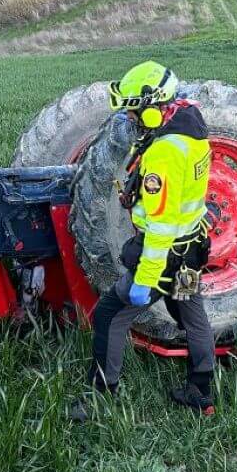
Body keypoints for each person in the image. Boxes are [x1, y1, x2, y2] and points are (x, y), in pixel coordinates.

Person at [69, 61, 216, 421]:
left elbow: (161, 227)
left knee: (109, 316)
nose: (131, 118)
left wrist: (146, 280)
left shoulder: (164, 154)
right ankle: (201, 393)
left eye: (134, 111)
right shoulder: (190, 124)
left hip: (165, 258)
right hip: (191, 252)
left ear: (153, 109)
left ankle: (101, 399)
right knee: (192, 314)